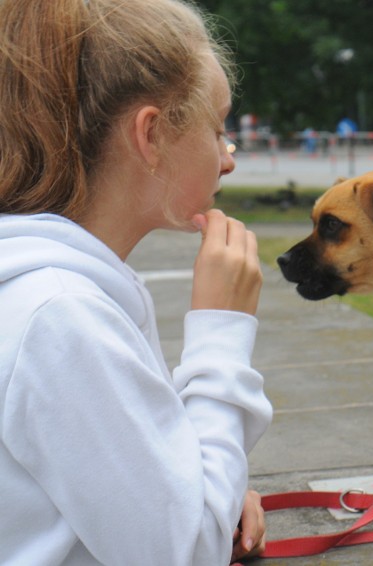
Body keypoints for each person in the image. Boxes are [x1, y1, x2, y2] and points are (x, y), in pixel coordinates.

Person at [0, 1, 273, 564]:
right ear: (150, 136)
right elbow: (185, 551)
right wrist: (221, 333)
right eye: (218, 130)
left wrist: (204, 490)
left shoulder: (49, 289)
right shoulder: (59, 315)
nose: (228, 161)